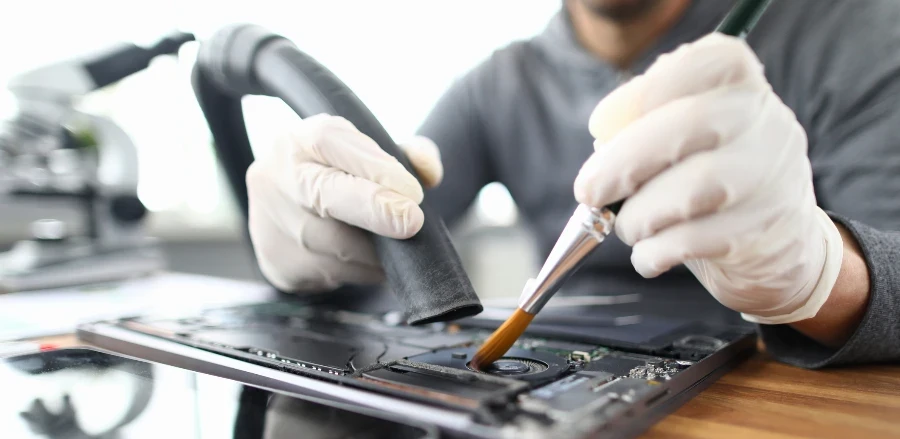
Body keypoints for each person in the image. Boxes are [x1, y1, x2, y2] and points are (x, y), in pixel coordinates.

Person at [245, 0, 900, 369]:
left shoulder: (855, 28)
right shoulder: (498, 82)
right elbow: (394, 234)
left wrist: (815, 275)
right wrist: (315, 229)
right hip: (569, 413)